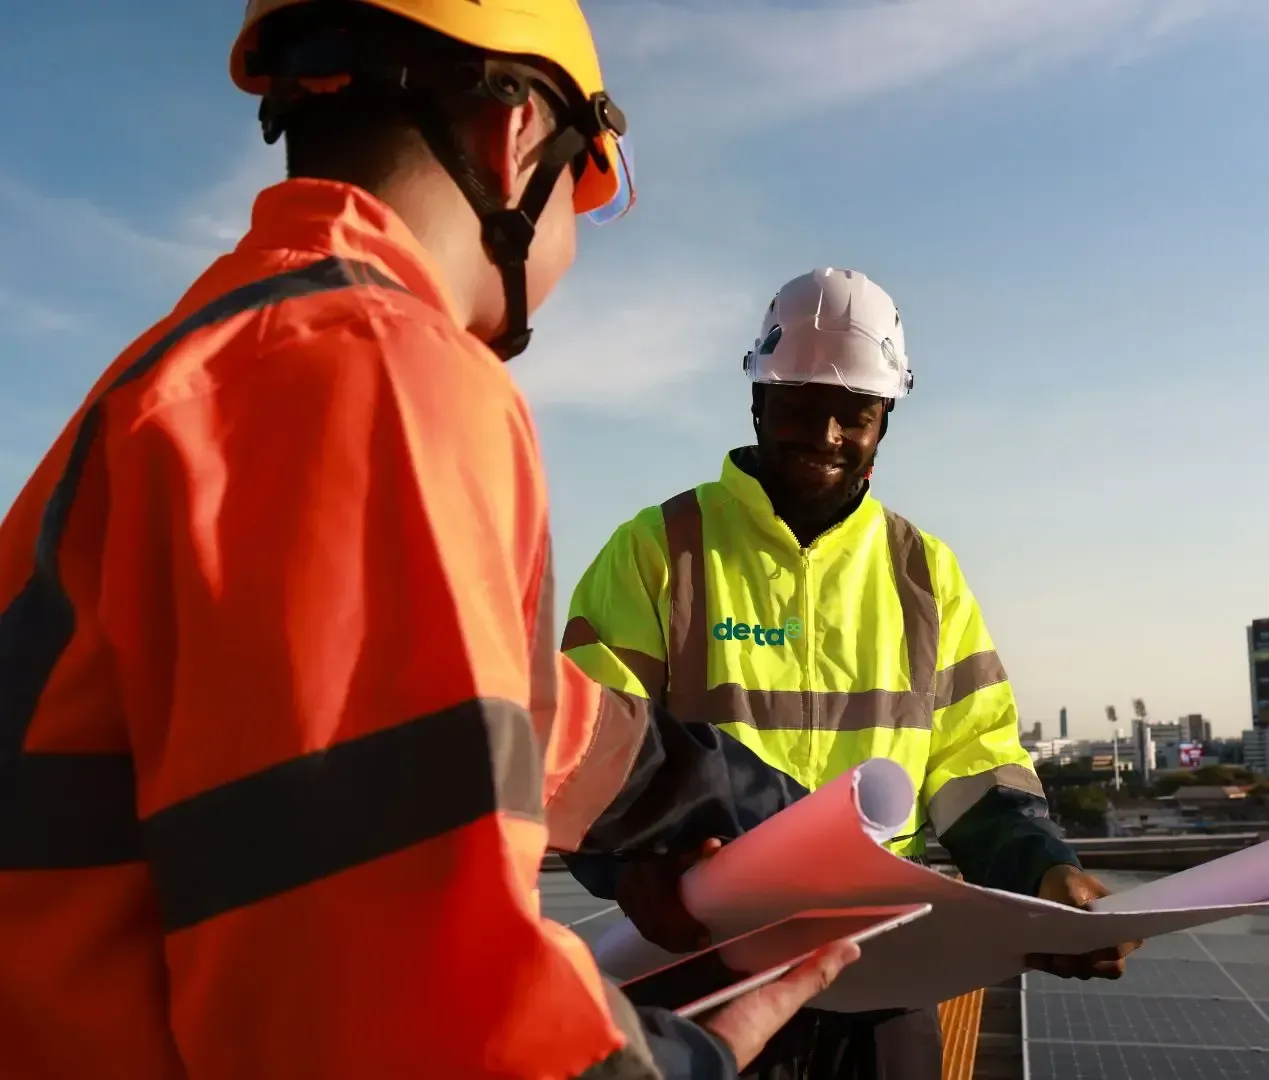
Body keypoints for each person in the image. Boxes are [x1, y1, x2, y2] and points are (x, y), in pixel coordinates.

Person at [0, 2, 854, 1077]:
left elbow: (435, 711)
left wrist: (707, 795)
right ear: (520, 145)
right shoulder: (375, 367)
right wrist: (677, 1066)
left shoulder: (194, 376)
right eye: (589, 198)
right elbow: (394, 1013)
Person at [559, 268, 1141, 1079]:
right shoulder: (659, 551)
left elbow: (975, 760)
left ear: (885, 421)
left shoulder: (924, 574)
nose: (827, 434)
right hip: (705, 965)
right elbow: (582, 742)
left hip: (879, 973)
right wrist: (631, 872)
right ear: (759, 398)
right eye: (800, 404)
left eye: (855, 415)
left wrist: (1038, 868)